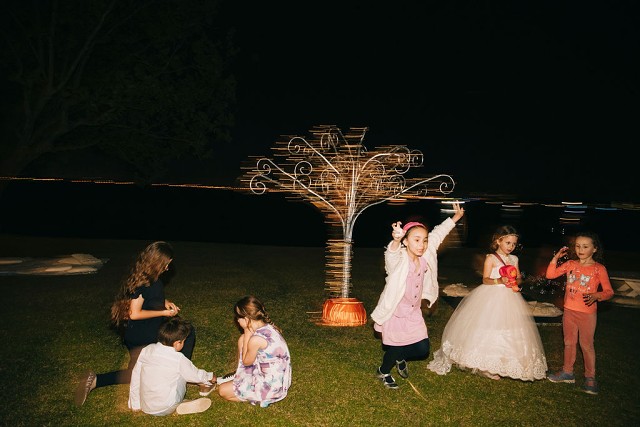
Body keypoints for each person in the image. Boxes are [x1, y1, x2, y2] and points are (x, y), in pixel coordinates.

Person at [74, 241, 207, 406]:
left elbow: (147, 299)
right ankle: (180, 370)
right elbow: (134, 313)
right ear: (158, 262)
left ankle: (96, 380)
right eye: (166, 263)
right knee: (184, 334)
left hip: (138, 332)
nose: (168, 267)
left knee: (142, 370)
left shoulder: (145, 277)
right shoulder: (146, 283)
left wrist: (165, 302)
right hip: (143, 334)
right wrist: (163, 313)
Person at [427, 225, 547, 381]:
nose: (511, 247)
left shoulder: (514, 259)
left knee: (509, 327)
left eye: (513, 244)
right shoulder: (491, 258)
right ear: (498, 241)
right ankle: (485, 364)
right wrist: (500, 280)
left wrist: (515, 281)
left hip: (510, 297)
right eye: (508, 243)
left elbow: (518, 277)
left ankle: (504, 361)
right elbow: (485, 279)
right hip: (492, 295)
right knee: (489, 325)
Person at [370, 201, 465, 389]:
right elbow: (391, 255)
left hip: (413, 311)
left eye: (424, 240)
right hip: (396, 311)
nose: (422, 245)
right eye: (416, 240)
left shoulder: (426, 254)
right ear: (406, 241)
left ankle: (400, 358)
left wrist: (456, 218)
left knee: (422, 349)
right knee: (396, 346)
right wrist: (395, 241)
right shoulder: (399, 259)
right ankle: (384, 371)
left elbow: (439, 232)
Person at [545, 231, 614, 395]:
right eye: (577, 246)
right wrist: (556, 258)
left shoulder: (598, 269)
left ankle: (590, 378)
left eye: (585, 246)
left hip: (587, 314)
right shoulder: (570, 264)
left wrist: (597, 295)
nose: (580, 250)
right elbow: (550, 275)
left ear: (594, 249)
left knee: (586, 345)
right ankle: (567, 372)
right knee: (569, 342)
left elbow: (609, 292)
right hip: (569, 311)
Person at [128, 317, 215, 416]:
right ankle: (179, 404)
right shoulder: (178, 358)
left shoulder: (146, 350)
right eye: (183, 341)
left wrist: (135, 403)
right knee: (182, 372)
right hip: (167, 406)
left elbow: (136, 376)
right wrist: (210, 376)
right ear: (177, 343)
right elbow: (194, 375)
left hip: (146, 407)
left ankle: (178, 404)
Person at [218, 295, 292, 407]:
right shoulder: (268, 327)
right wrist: (246, 334)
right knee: (242, 339)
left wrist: (247, 331)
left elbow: (246, 362)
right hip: (276, 377)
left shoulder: (256, 340)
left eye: (238, 317)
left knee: (222, 391)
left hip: (270, 386)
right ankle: (239, 376)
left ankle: (259, 397)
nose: (237, 320)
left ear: (247, 319)